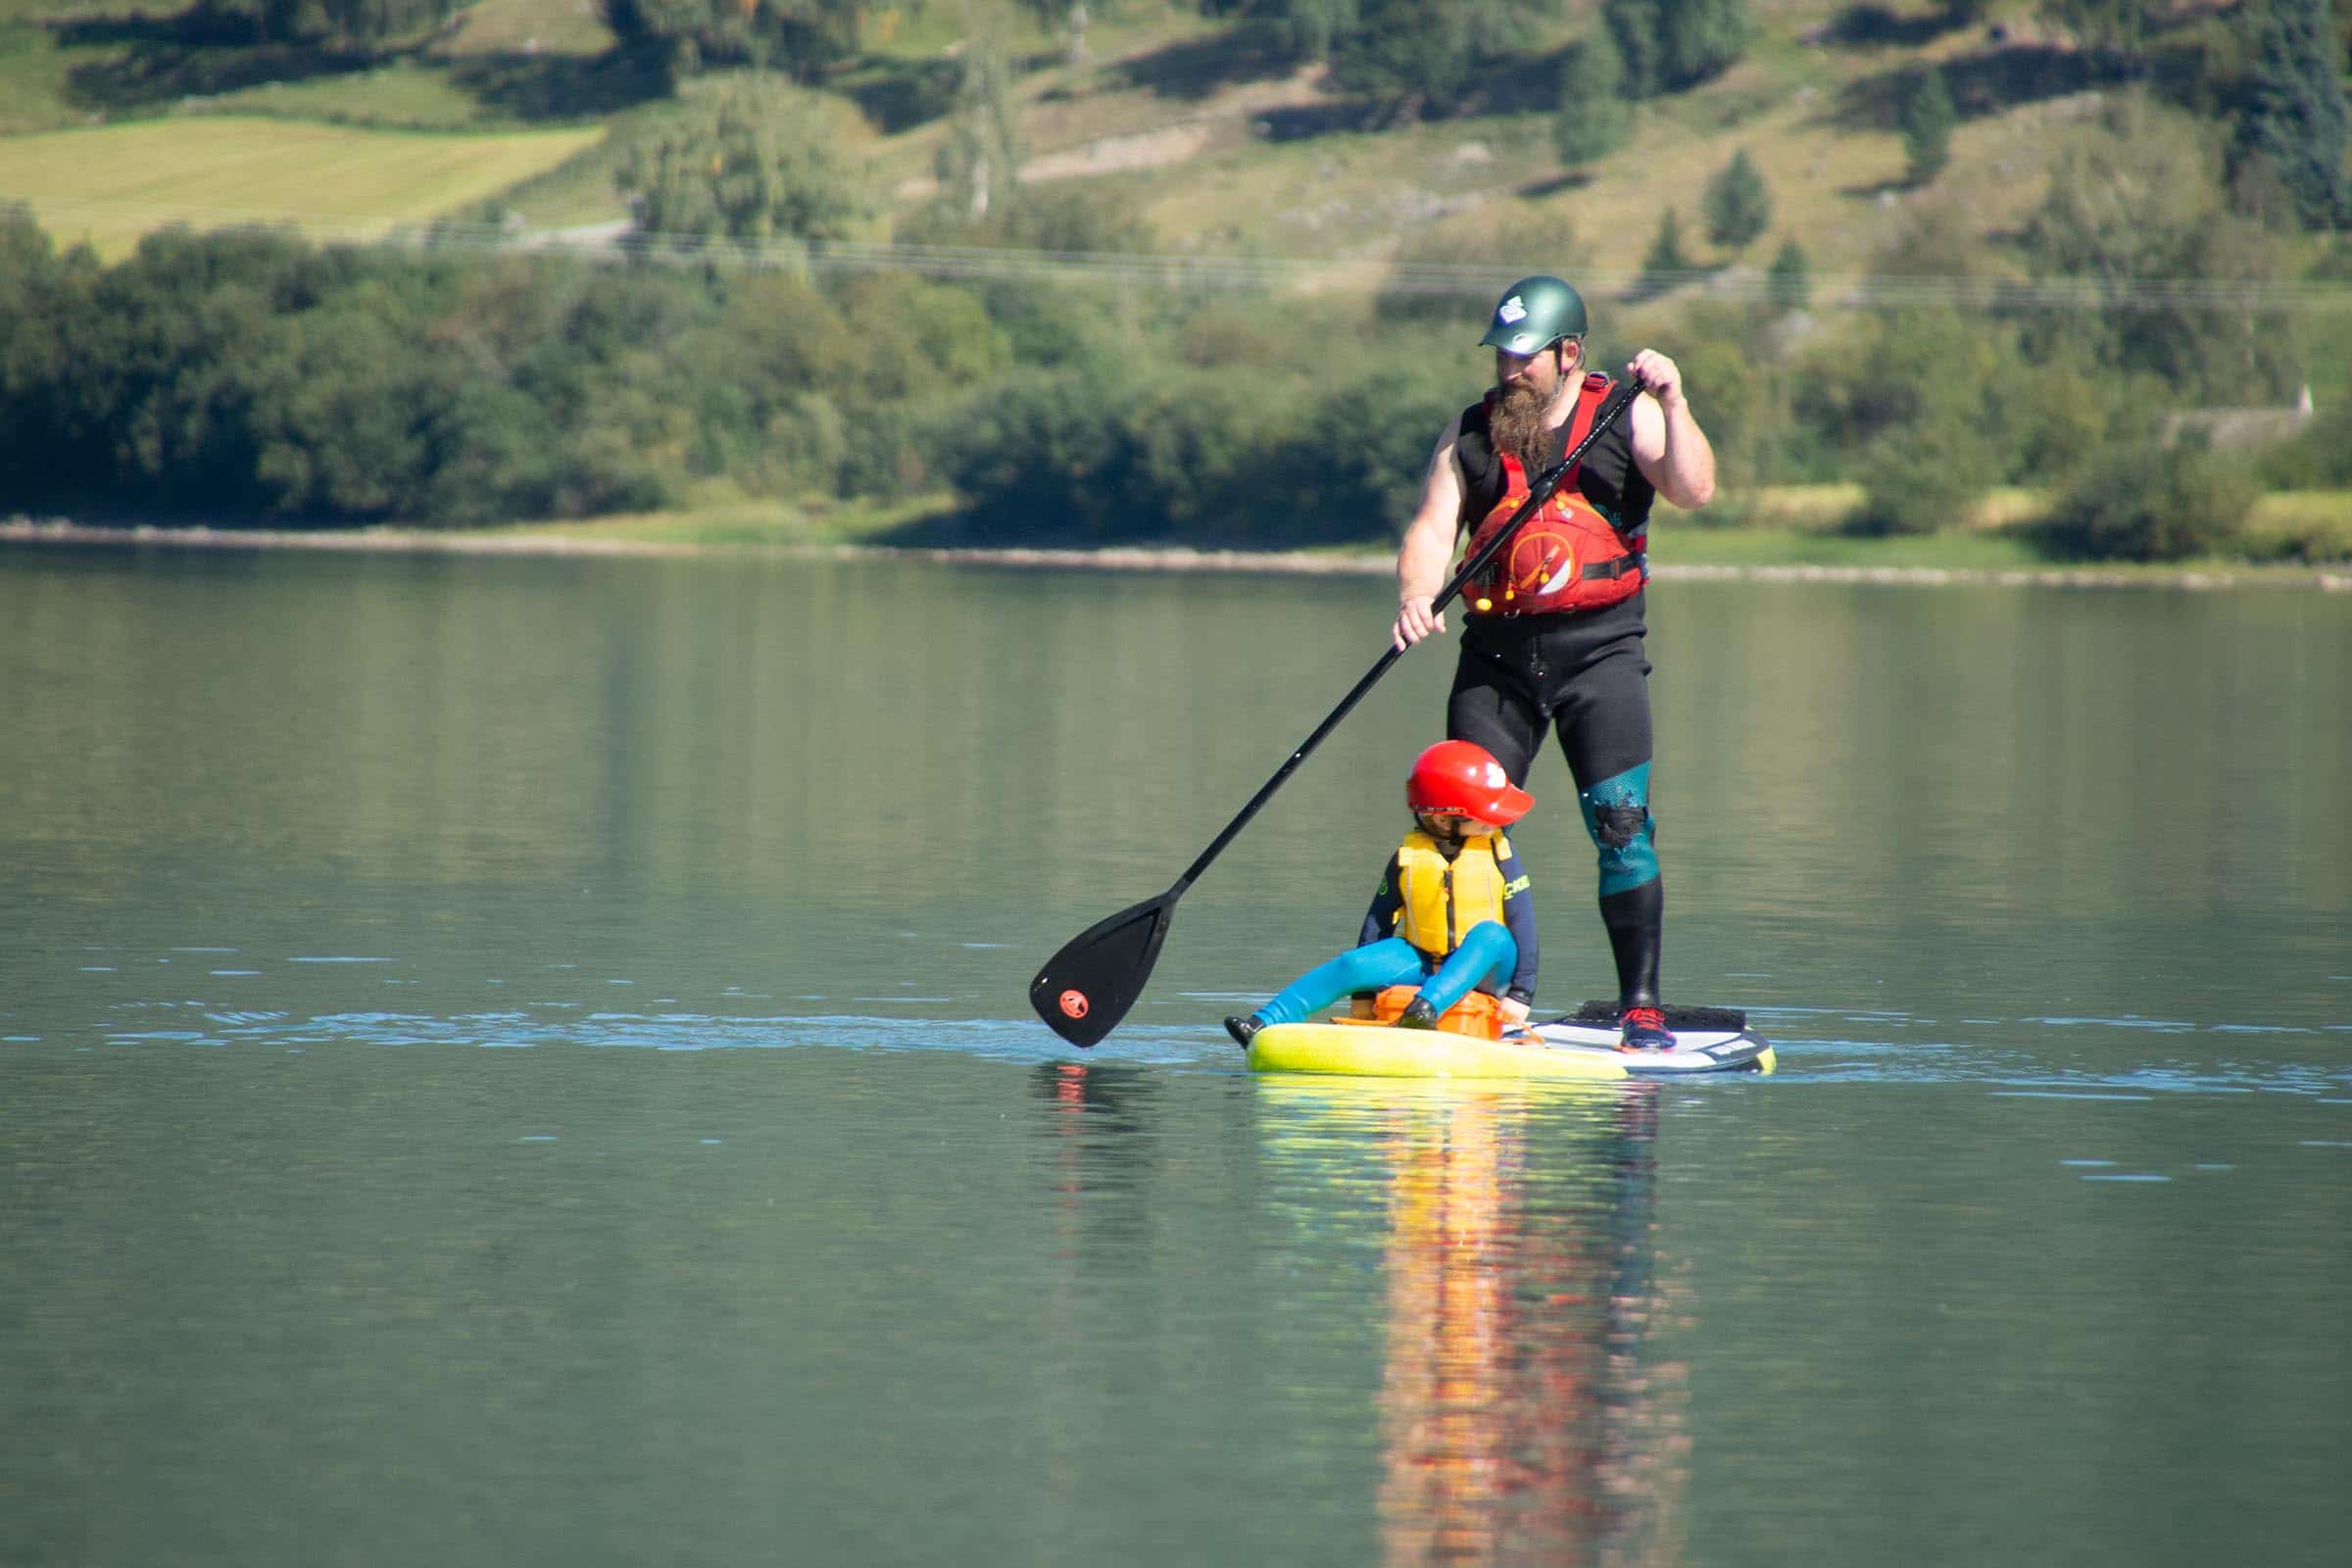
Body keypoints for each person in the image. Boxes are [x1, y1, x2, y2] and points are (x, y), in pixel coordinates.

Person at [1388, 275, 1717, 1053]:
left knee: (1622, 825)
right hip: (1496, 662)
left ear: (1570, 353)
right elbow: (1434, 531)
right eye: (1502, 355)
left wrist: (1674, 401)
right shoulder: (1469, 433)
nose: (1509, 371)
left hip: (1600, 656)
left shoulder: (1625, 415)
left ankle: (1641, 1006)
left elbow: (1692, 488)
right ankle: (1450, 997)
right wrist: (1414, 595)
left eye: (1524, 357)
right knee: (1455, 827)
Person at [1225, 740, 1539, 1048]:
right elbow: (1377, 922)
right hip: (1423, 960)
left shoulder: (1501, 855)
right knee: (1353, 964)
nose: (1497, 821)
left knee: (1491, 934)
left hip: (1489, 969)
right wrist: (1363, 995)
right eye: (1484, 815)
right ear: (1443, 819)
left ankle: (1424, 1009)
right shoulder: (1408, 856)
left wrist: (1520, 994)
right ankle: (1265, 1021)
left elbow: (1523, 925)